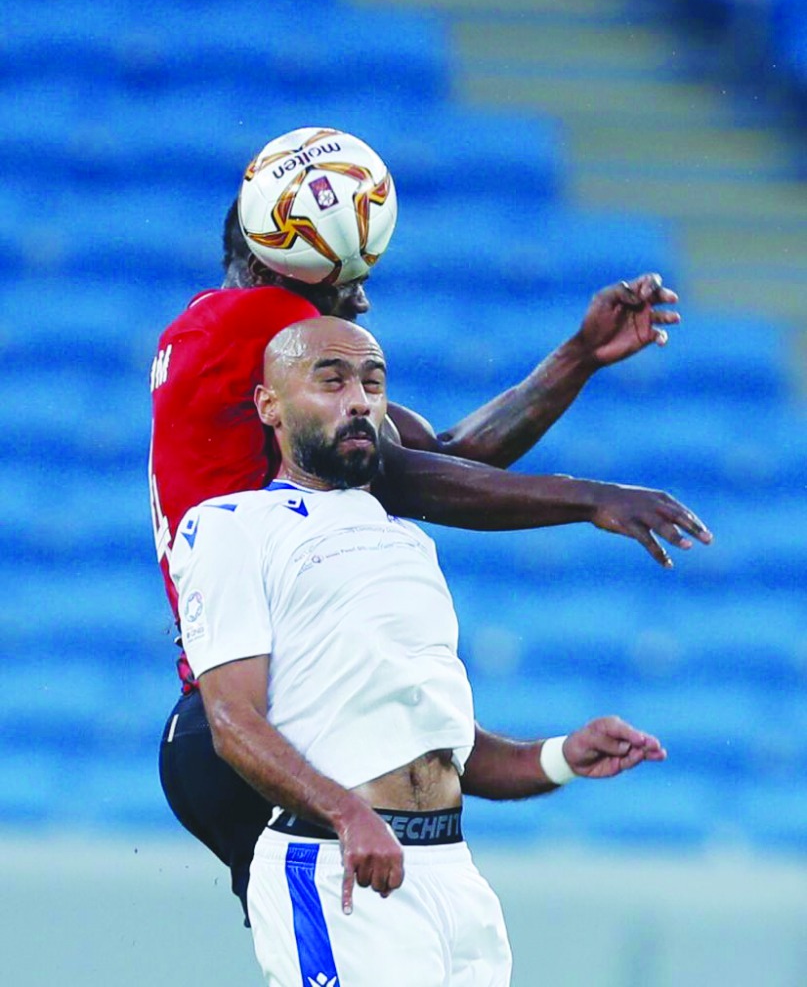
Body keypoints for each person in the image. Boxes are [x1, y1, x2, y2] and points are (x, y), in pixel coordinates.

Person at [154, 184, 710, 921]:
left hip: (283, 706)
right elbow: (407, 476)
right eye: (349, 278)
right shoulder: (253, 325)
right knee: (349, 939)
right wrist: (588, 498)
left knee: (379, 942)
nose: (362, 300)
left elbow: (448, 454)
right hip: (262, 714)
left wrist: (576, 358)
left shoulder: (356, 503)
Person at [169, 316, 667, 986]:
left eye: (373, 384)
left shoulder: (407, 541)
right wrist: (347, 814)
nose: (359, 401)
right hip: (336, 864)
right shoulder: (231, 527)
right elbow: (232, 722)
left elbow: (444, 742)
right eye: (332, 381)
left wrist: (557, 756)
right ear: (269, 405)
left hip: (450, 872)